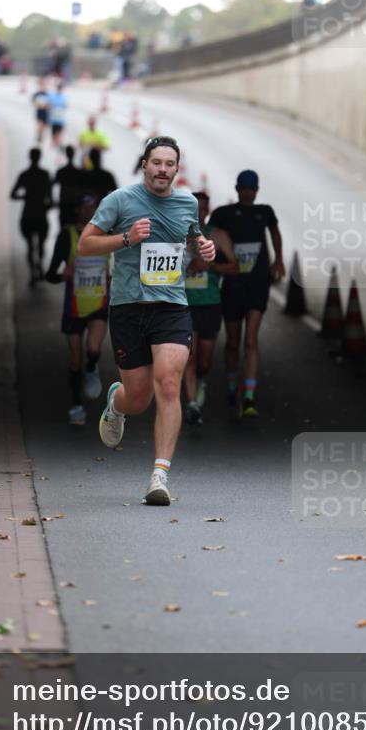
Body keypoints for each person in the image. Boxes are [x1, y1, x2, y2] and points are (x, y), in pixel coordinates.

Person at [78, 135, 216, 507]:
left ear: (176, 168)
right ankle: (117, 404)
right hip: (128, 307)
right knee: (138, 397)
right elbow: (85, 244)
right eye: (157, 162)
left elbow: (193, 239)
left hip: (171, 306)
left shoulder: (187, 203)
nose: (163, 170)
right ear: (145, 164)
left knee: (168, 384)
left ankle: (160, 475)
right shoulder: (120, 200)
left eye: (170, 164)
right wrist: (125, 238)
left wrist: (204, 247)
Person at [210, 170, 285, 418]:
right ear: (237, 189)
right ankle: (232, 387)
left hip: (257, 284)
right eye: (244, 188)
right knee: (232, 342)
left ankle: (249, 396)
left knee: (250, 339)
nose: (248, 193)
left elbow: (274, 232)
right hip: (232, 285)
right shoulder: (224, 214)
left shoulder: (264, 212)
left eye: (252, 189)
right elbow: (209, 234)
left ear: (257, 190)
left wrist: (279, 260)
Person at [46, 195, 110, 426]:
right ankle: (76, 405)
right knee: (74, 360)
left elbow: (119, 266)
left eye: (93, 207)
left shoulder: (107, 234)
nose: (88, 211)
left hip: (99, 305)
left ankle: (92, 367)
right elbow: (50, 274)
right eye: (84, 207)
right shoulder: (67, 236)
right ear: (77, 210)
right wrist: (62, 275)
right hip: (73, 308)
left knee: (93, 348)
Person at [183, 192, 238, 426]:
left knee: (204, 361)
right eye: (196, 209)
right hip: (184, 305)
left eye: (204, 209)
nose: (200, 213)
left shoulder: (217, 235)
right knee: (189, 358)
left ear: (208, 211)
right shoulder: (177, 235)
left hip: (210, 303)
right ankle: (193, 404)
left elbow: (236, 267)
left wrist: (210, 266)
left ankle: (201, 380)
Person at [10, 147, 53, 287]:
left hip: (28, 214)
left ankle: (33, 273)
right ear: (39, 157)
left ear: (30, 157)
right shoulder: (45, 175)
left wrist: (25, 196)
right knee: (40, 245)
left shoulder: (25, 175)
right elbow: (50, 198)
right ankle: (39, 266)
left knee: (29, 246)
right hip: (41, 215)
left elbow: (13, 194)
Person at [53, 145, 83, 226]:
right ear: (74, 154)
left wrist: (53, 201)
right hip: (75, 203)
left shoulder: (61, 171)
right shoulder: (78, 172)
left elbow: (51, 185)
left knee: (64, 227)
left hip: (65, 202)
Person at [47, 81, 68, 153]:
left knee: (58, 134)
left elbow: (65, 106)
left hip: (60, 120)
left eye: (60, 88)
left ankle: (59, 147)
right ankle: (57, 145)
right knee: (54, 136)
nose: (59, 89)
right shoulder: (52, 96)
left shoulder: (63, 97)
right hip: (53, 120)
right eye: (59, 88)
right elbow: (48, 105)